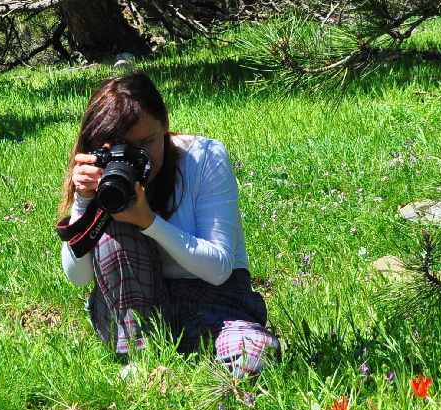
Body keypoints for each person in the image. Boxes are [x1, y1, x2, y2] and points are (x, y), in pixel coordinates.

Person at [58, 72, 279, 375]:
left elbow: (219, 269)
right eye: (122, 149)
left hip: (217, 306)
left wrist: (148, 221)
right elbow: (78, 277)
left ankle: (204, 374)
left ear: (165, 125)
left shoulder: (203, 158)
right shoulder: (105, 179)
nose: (138, 158)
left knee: (253, 356)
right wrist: (84, 202)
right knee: (115, 224)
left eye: (147, 142)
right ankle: (142, 362)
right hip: (133, 314)